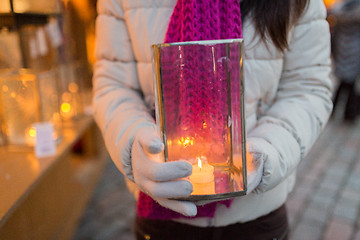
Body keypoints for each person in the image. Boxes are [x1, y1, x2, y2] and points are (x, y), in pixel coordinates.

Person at [92, 0, 333, 239]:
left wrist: (267, 152)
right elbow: (113, 84)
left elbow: (307, 87)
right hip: (164, 215)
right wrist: (134, 140)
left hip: (256, 215)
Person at [330, 0, 360, 122]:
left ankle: (335, 109)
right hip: (356, 52)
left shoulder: (339, 12)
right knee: (349, 84)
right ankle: (350, 113)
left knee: (344, 83)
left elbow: (334, 36)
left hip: (342, 49)